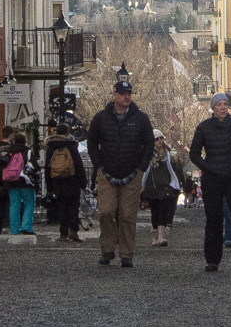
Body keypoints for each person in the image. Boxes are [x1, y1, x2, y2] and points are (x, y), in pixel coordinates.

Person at [87, 75, 155, 268]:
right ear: (114, 94)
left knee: (127, 215)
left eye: (129, 93)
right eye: (123, 93)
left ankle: (127, 254)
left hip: (132, 173)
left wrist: (141, 168)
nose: (127, 97)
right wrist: (98, 166)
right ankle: (107, 249)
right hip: (107, 172)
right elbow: (92, 142)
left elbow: (149, 143)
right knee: (106, 211)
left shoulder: (141, 119)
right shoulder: (101, 118)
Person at [189, 92, 231, 273]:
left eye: (225, 104)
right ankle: (212, 260)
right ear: (213, 108)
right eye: (219, 104)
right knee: (213, 218)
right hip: (212, 177)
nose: (222, 108)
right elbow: (194, 153)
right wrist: (208, 167)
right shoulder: (204, 127)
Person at [140, 129, 185, 246]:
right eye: (156, 139)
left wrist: (177, 181)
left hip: (165, 185)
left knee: (164, 208)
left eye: (161, 138)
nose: (159, 141)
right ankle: (155, 236)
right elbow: (143, 170)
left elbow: (174, 168)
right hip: (151, 186)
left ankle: (161, 236)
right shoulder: (147, 153)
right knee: (154, 211)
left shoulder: (168, 153)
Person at [44, 123, 87, 242]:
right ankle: (73, 231)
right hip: (72, 181)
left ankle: (63, 233)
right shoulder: (72, 146)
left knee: (61, 207)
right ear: (68, 132)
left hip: (57, 181)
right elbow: (78, 165)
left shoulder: (51, 147)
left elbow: (48, 167)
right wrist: (83, 182)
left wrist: (49, 185)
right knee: (73, 206)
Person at [3, 132, 36, 235]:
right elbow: (35, 166)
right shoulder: (28, 152)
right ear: (25, 141)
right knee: (29, 203)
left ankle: (14, 229)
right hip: (25, 181)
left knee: (14, 205)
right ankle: (26, 227)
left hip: (11, 181)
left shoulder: (9, 152)